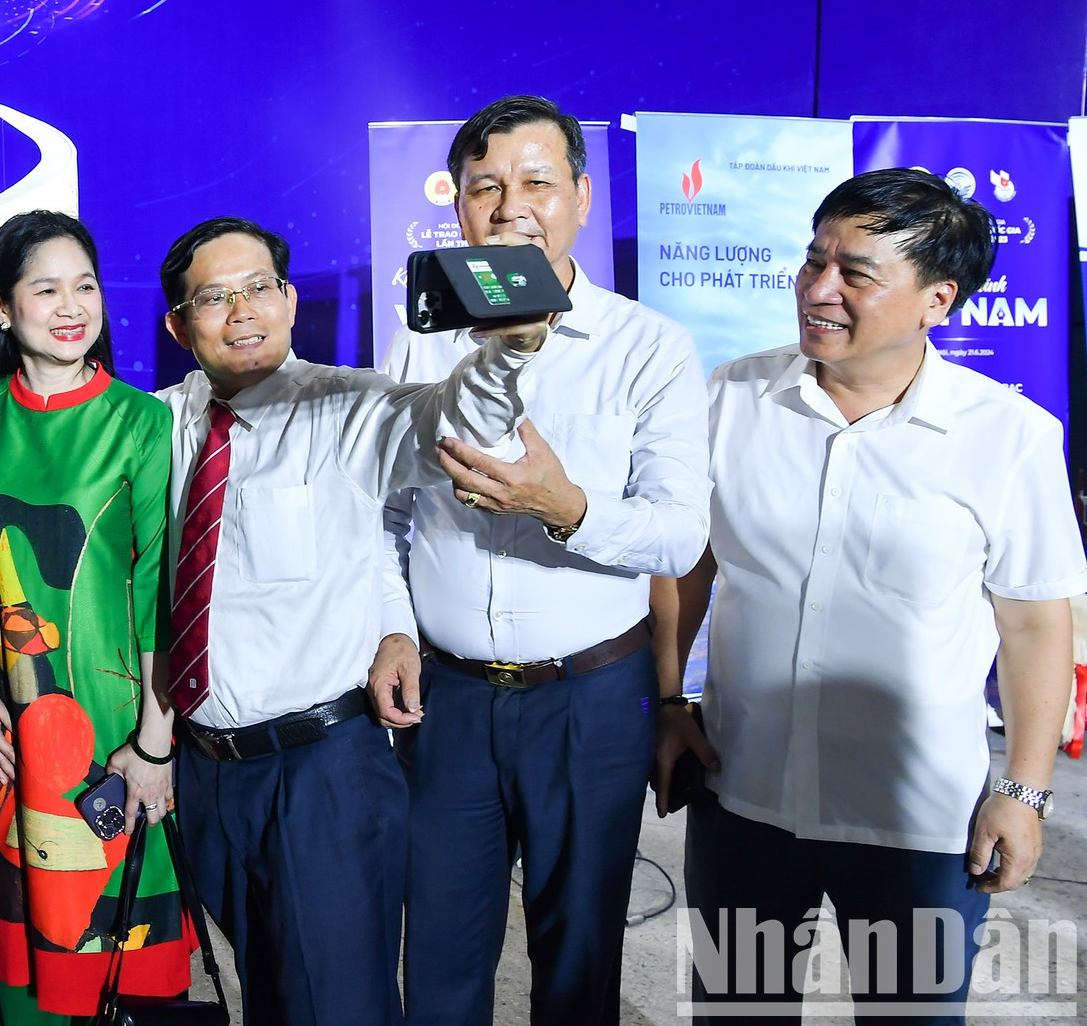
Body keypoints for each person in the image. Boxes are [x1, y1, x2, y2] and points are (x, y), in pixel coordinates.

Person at [657, 168, 1082, 1020]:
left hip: (916, 826)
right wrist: (667, 703)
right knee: (738, 1011)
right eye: (814, 260)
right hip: (746, 802)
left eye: (856, 273)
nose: (819, 289)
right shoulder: (731, 398)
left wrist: (1025, 792)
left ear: (937, 299)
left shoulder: (1009, 437)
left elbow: (1036, 626)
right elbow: (685, 567)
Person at [157, 215, 550, 1026]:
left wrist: (507, 350)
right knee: (265, 991)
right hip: (202, 773)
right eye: (215, 296)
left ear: (291, 300)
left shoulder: (349, 407)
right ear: (177, 323)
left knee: (338, 1003)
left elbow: (456, 422)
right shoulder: (157, 426)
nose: (243, 312)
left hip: (320, 775)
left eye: (261, 288)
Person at [376, 95, 710, 1026]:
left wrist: (569, 510)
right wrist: (393, 629)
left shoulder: (650, 349)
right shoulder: (419, 337)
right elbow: (386, 514)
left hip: (591, 700)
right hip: (448, 703)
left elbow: (681, 536)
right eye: (486, 186)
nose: (510, 204)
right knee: (437, 959)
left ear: (582, 196)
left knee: (579, 964)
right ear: (458, 208)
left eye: (536, 181)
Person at [0, 210, 190, 1024]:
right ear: (1, 308)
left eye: (83, 285)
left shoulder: (142, 422)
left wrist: (155, 744)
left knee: (121, 970)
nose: (70, 306)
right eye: (44, 288)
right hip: (8, 740)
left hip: (115, 741)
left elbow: (165, 598)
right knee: (30, 985)